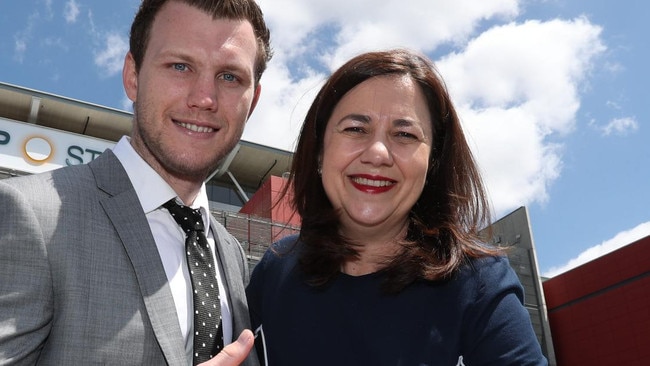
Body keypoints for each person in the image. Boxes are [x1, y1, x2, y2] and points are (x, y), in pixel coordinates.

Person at [0, 0, 272, 365]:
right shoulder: (30, 214)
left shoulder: (232, 254)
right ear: (133, 75)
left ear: (252, 102)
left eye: (229, 77)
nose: (204, 99)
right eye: (180, 66)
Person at [246, 49, 548, 365]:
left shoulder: (480, 284)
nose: (377, 153)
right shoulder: (275, 273)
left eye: (404, 134)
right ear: (320, 150)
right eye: (355, 128)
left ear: (433, 162)